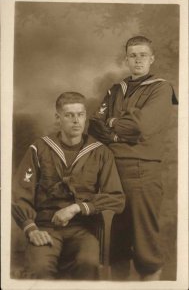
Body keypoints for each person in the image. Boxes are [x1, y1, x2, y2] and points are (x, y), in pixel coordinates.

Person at [88, 36, 178, 281]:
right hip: (114, 171)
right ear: (126, 59)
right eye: (133, 55)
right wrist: (118, 129)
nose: (138, 59)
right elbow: (95, 124)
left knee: (144, 245)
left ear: (152, 58)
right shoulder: (116, 89)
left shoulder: (161, 88)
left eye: (143, 55)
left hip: (142, 171)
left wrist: (114, 124)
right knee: (117, 244)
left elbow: (141, 126)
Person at [12, 91, 125, 280]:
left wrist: (77, 207)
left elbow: (116, 198)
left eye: (80, 114)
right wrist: (30, 228)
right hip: (44, 227)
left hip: (82, 229)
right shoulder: (39, 149)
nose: (76, 121)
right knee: (39, 269)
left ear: (85, 116)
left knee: (88, 264)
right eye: (69, 115)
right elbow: (18, 194)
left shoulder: (101, 152)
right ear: (58, 118)